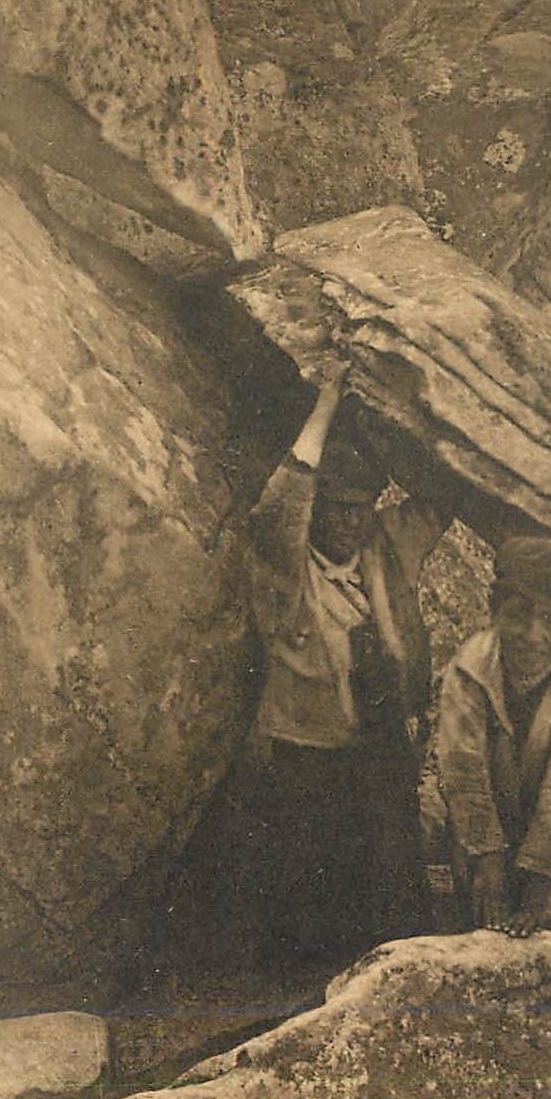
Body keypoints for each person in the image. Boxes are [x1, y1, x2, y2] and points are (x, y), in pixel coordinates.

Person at [239, 359, 448, 975]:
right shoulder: (286, 564)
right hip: (305, 754)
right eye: (335, 506)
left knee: (392, 885)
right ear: (316, 508)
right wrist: (329, 403)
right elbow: (285, 493)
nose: (348, 520)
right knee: (309, 900)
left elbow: (441, 497)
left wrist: (396, 419)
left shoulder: (384, 546)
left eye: (360, 507)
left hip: (379, 751)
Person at [435, 535, 551, 941]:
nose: (532, 635)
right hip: (487, 822)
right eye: (517, 615)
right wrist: (489, 862)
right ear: (495, 614)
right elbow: (463, 772)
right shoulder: (469, 671)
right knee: (479, 928)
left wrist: (539, 877)